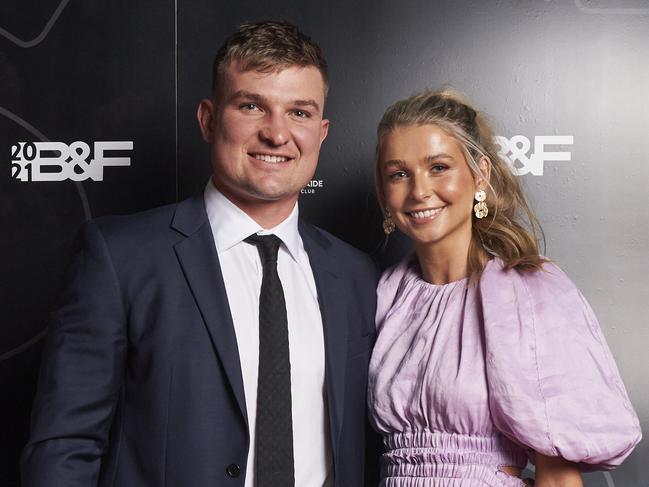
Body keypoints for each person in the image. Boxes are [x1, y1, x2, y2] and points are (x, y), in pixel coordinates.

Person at [21, 21, 379, 487]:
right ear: (209, 119)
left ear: (322, 132)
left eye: (299, 113)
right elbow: (65, 446)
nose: (276, 133)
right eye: (251, 105)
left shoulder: (355, 274)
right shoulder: (119, 257)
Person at [367, 88, 642, 486]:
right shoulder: (387, 295)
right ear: (384, 192)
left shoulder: (530, 292)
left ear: (480, 173)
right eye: (399, 174)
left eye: (439, 167)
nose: (419, 191)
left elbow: (559, 479)